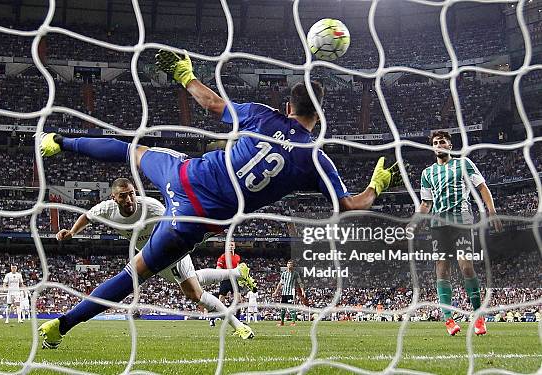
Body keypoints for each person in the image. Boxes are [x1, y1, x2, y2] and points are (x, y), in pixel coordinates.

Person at [37, 50, 401, 345]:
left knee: (129, 151)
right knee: (134, 274)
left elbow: (211, 104)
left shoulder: (263, 116)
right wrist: (377, 186)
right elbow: (349, 206)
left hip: (183, 174)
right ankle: (61, 326)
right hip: (193, 220)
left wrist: (185, 75)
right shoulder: (314, 160)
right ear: (319, 117)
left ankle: (58, 142)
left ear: (288, 108)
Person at [38, 178, 256, 348]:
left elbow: (175, 224)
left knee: (195, 294)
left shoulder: (150, 206)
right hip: (149, 255)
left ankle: (239, 325)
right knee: (194, 281)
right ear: (114, 198)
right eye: (123, 196)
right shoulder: (106, 209)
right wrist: (72, 232)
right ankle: (236, 273)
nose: (129, 200)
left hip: (170, 248)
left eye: (132, 194)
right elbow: (87, 216)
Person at [416, 130, 502, 336]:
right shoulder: (427, 173)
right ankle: (448, 319)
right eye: (435, 142)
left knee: (466, 267)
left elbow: (482, 187)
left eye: (442, 141)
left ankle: (479, 317)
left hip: (462, 221)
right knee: (442, 270)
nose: (438, 144)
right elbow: (426, 203)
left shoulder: (463, 164)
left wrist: (492, 211)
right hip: (438, 226)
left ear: (449, 145)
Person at [209, 241, 246, 327]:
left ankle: (238, 320)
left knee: (238, 299)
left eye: (232, 245)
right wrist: (219, 274)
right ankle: (212, 319)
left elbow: (238, 268)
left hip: (234, 280)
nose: (230, 246)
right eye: (229, 245)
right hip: (225, 279)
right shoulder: (223, 256)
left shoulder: (237, 257)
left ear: (234, 247)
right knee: (221, 300)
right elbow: (218, 267)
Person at [273, 260, 304, 326]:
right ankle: (282, 322)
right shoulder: (284, 273)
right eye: (288, 264)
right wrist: (276, 292)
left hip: (291, 292)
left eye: (291, 264)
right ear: (287, 265)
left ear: (292, 266)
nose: (289, 265)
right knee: (283, 308)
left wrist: (303, 291)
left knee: (291, 307)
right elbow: (280, 283)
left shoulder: (295, 273)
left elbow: (300, 282)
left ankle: (293, 322)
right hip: (284, 293)